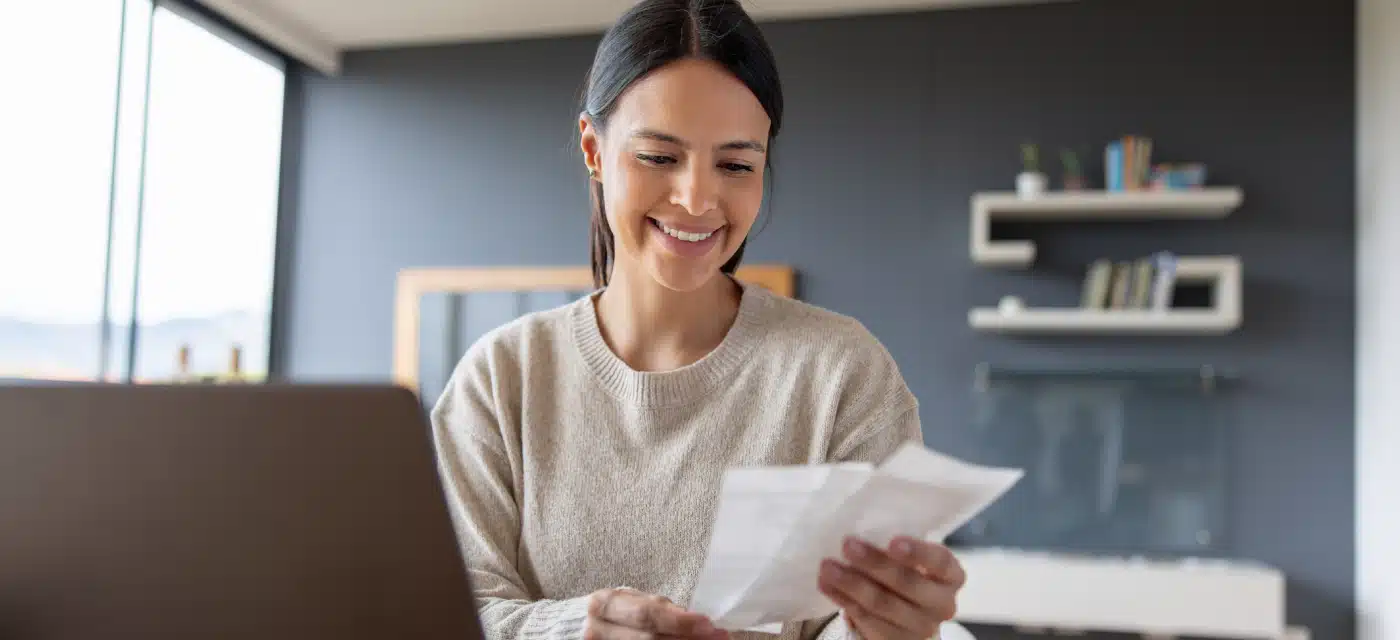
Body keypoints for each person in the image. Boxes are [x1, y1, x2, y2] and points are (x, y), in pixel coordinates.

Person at [429, 1, 968, 639]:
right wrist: (581, 630)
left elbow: (850, 626)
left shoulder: (841, 373)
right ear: (593, 150)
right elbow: (455, 615)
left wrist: (893, 628)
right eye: (659, 157)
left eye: (736, 165)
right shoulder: (501, 379)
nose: (697, 199)